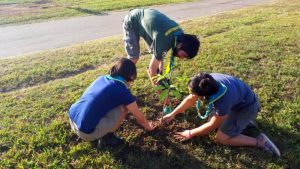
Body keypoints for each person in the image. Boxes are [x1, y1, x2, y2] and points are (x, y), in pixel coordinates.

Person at [163, 73, 281, 157]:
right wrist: (172, 114)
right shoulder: (206, 81)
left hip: (247, 107)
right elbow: (191, 99)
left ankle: (259, 142)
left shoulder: (223, 101)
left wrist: (190, 133)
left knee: (222, 138)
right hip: (238, 101)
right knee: (217, 119)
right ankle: (241, 122)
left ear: (205, 96)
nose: (192, 95)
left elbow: (211, 126)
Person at [68, 58, 155, 146]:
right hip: (85, 132)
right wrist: (149, 127)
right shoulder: (122, 90)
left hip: (72, 119)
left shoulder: (101, 78)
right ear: (131, 76)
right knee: (124, 108)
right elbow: (139, 117)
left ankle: (98, 128)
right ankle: (107, 137)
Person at [123, 8, 200, 88]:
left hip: (150, 22)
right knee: (134, 58)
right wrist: (160, 93)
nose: (181, 58)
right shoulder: (165, 40)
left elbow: (160, 51)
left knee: (157, 53)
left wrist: (160, 67)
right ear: (180, 46)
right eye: (183, 55)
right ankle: (118, 82)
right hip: (132, 21)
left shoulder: (180, 35)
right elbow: (152, 70)